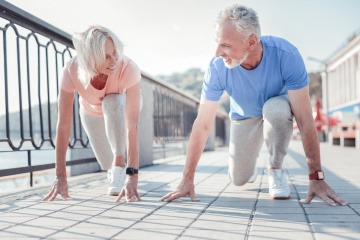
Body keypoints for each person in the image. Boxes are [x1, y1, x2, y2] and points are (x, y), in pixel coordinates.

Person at [161, 4, 346, 206]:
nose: (217, 53)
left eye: (225, 45)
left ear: (251, 41)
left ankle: (275, 169)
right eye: (217, 43)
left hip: (276, 110)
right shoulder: (217, 68)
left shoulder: (287, 55)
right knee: (238, 178)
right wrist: (186, 180)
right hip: (244, 116)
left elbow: (304, 119)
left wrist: (316, 178)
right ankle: (250, 158)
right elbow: (203, 124)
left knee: (275, 110)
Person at [42, 25, 141, 202]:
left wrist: (132, 176)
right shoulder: (72, 70)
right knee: (105, 162)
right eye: (106, 57)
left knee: (113, 101)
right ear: (91, 59)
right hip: (90, 112)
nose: (114, 61)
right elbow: (63, 124)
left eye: (115, 53)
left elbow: (131, 126)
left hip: (120, 107)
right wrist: (60, 176)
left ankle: (120, 165)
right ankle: (114, 167)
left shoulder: (128, 68)